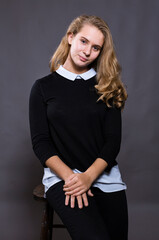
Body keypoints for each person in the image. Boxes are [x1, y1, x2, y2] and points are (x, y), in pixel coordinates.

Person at [29, 15, 128, 240]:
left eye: (95, 47)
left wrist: (88, 177)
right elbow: (41, 142)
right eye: (83, 41)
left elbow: (112, 142)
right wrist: (72, 178)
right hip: (64, 179)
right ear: (71, 37)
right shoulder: (43, 88)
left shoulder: (107, 87)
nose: (87, 51)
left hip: (104, 177)